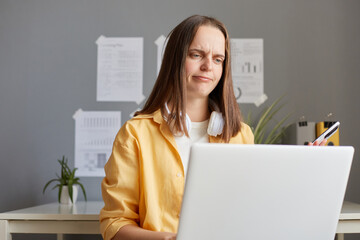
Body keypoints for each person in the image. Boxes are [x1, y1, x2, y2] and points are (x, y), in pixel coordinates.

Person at [99, 15, 324, 240]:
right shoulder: (135, 134)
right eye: (196, 55)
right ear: (175, 59)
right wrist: (169, 239)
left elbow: (255, 209)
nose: (208, 66)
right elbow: (115, 224)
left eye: (218, 59)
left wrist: (304, 174)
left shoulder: (240, 135)